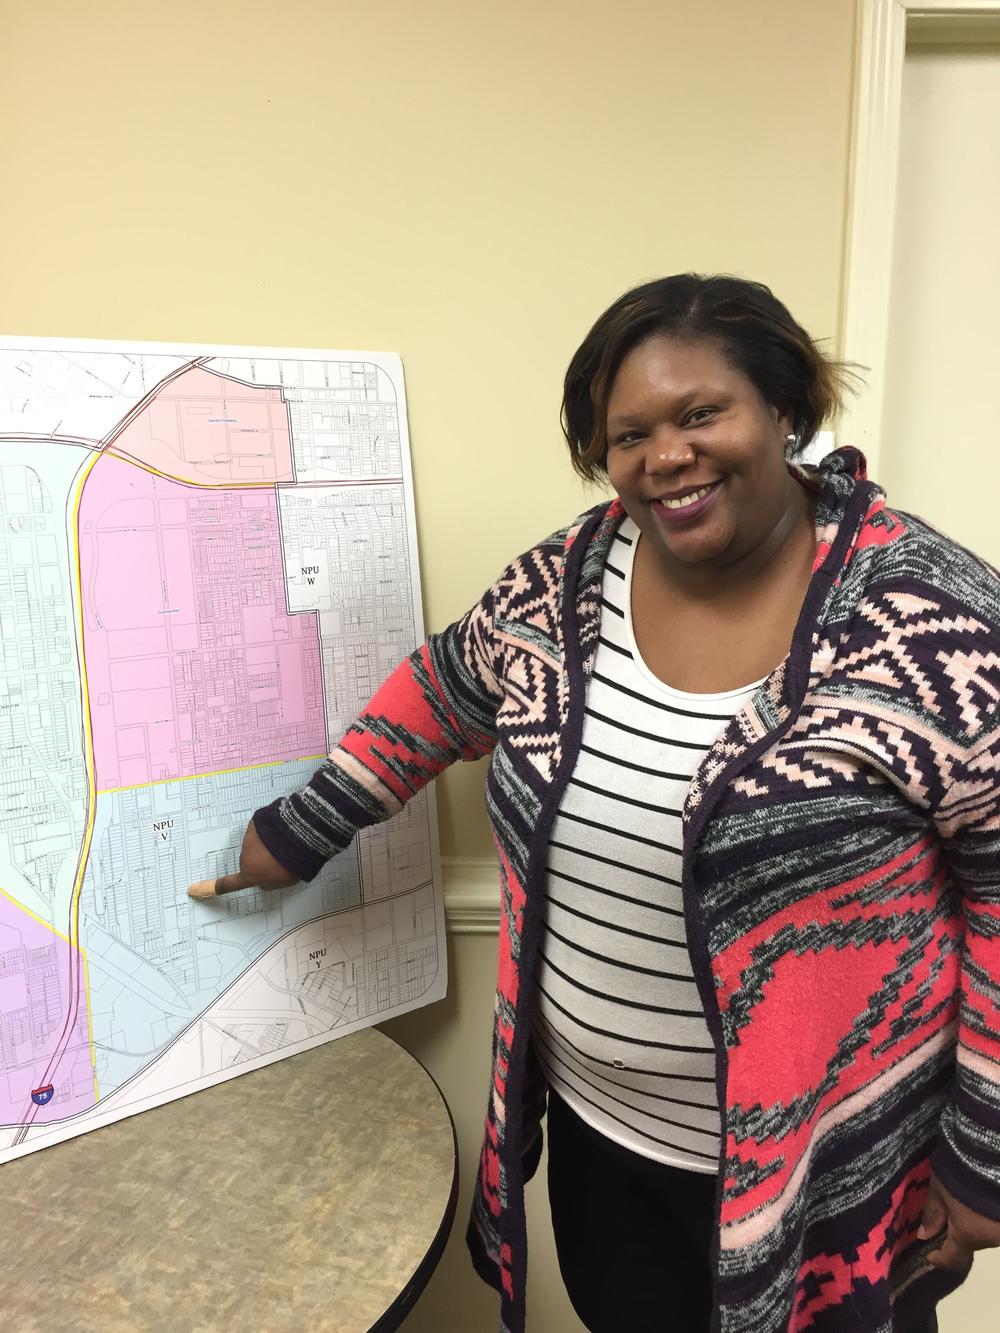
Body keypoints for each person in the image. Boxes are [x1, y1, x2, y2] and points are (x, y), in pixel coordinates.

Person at [190, 275, 1000, 1333]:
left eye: (701, 412)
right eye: (628, 434)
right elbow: (442, 693)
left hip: (829, 1171)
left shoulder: (932, 615)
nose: (666, 455)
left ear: (784, 410)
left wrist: (981, 1154)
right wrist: (302, 830)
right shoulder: (559, 584)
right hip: (600, 1141)